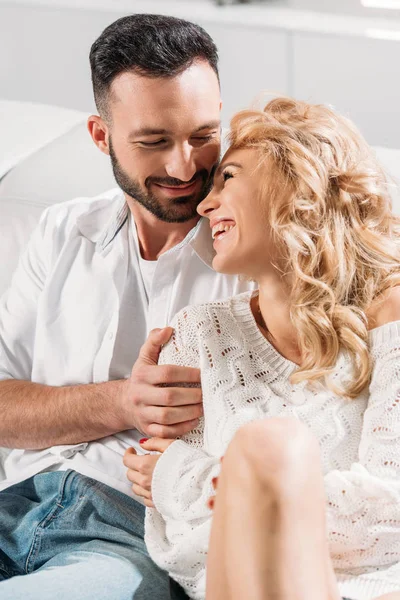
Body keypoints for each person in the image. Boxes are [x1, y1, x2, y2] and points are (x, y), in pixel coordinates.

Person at [0, 14, 255, 600]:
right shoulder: (61, 231)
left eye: (202, 135)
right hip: (15, 498)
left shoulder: (249, 252)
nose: (184, 167)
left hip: (123, 536)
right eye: (153, 142)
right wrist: (124, 401)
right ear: (100, 136)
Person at [125, 98, 400, 600]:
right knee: (269, 448)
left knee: (273, 449)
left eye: (228, 177)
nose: (205, 206)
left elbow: (395, 511)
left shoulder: (392, 314)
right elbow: (186, 546)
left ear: (299, 184)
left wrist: (194, 479)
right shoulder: (197, 335)